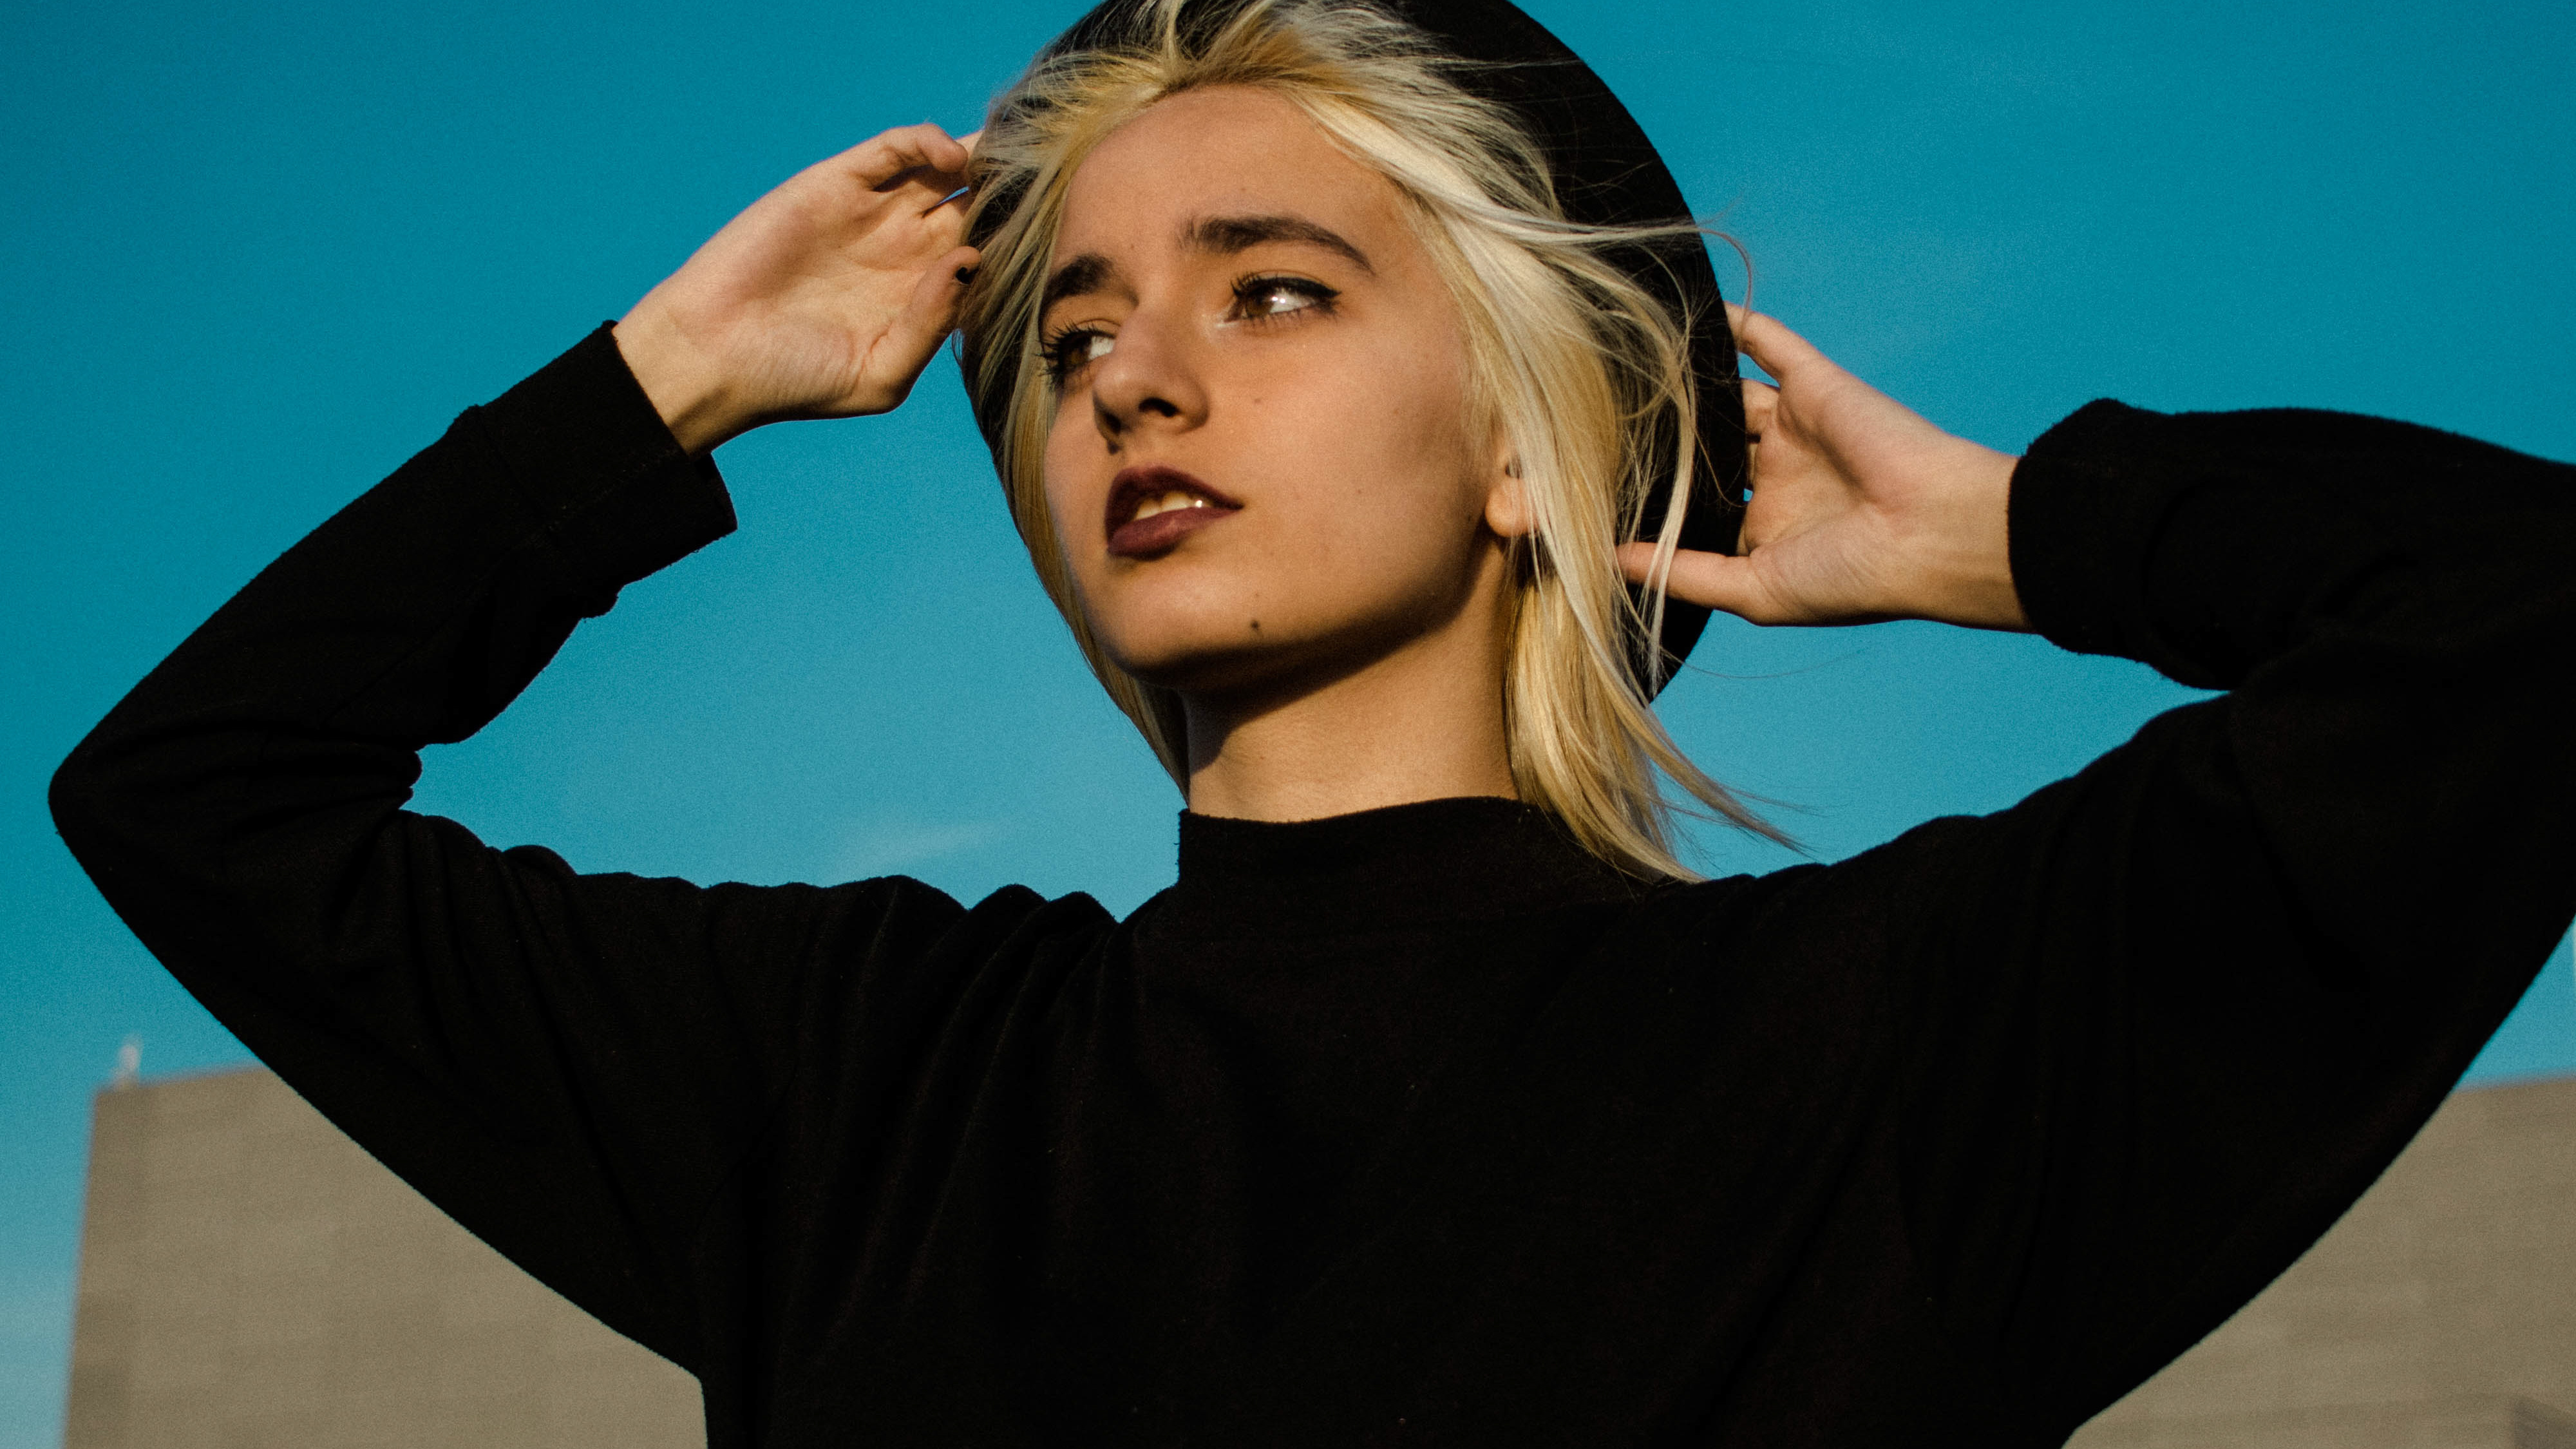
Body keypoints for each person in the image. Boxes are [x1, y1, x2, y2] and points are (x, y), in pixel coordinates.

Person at [48, 0, 2573, 1443]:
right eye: (1072, 329)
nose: (1131, 375)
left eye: (1270, 289)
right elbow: (193, 795)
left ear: (1523, 440)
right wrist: (662, 382)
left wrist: (2023, 529)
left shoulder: (1894, 1055)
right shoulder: (868, 1088)